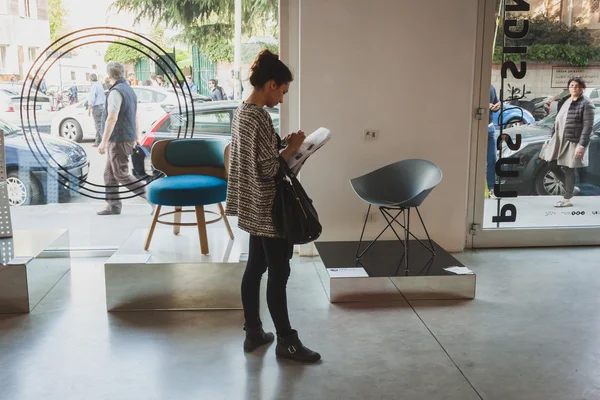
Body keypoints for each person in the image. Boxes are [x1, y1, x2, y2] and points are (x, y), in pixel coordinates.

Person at [226, 49, 321, 363]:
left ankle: (254, 332)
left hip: (252, 207)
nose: (282, 98)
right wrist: (293, 148)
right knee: (279, 273)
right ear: (270, 84)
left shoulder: (243, 112)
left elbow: (255, 157)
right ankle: (287, 343)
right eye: (282, 90)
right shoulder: (260, 116)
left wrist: (284, 144)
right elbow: (268, 169)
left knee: (255, 268)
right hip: (270, 208)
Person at [97, 62, 147, 215]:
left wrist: (103, 142)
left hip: (118, 139)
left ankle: (152, 197)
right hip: (125, 137)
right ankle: (113, 206)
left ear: (108, 75)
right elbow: (135, 116)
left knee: (121, 174)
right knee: (109, 174)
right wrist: (136, 136)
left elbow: (112, 118)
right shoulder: (129, 90)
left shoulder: (116, 92)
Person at [541, 76, 595, 208]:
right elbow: (558, 120)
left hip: (573, 140)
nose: (574, 88)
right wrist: (552, 138)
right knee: (551, 165)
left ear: (582, 88)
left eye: (577, 86)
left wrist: (581, 146)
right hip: (559, 138)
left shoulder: (587, 104)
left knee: (568, 167)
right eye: (572, 85)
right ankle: (571, 188)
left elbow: (588, 127)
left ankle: (567, 199)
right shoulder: (566, 100)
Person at [488, 84, 501, 198]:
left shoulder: (491, 88)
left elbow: (497, 103)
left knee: (492, 159)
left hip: (490, 127)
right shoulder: (474, 85)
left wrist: (497, 106)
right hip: (476, 127)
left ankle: (491, 189)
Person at [88, 73, 106, 147]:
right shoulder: (99, 85)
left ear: (90, 79)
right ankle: (97, 141)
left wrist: (89, 108)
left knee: (98, 126)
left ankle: (104, 142)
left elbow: (92, 98)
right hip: (102, 106)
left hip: (96, 108)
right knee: (100, 124)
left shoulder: (94, 86)